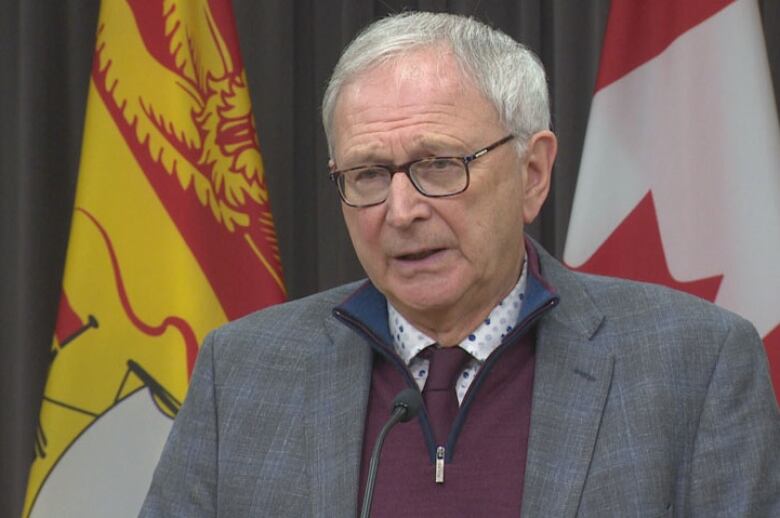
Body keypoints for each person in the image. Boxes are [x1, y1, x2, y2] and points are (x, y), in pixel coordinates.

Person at [140, 11, 780, 517]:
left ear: (532, 174)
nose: (400, 210)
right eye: (367, 174)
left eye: (438, 166)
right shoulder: (245, 371)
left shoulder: (695, 364)